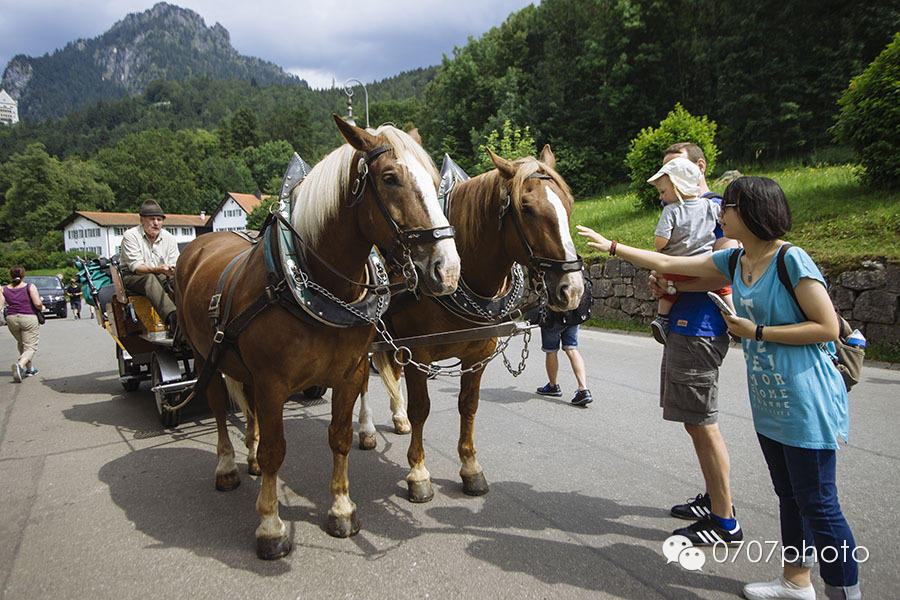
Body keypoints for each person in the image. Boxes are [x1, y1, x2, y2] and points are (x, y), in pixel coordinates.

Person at [578, 176, 861, 600]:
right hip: (771, 402)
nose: (719, 213)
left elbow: (824, 326)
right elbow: (676, 266)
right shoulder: (737, 260)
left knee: (819, 503)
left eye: (727, 207)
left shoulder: (791, 259)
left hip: (808, 399)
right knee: (789, 496)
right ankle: (796, 582)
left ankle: (844, 592)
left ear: (750, 212)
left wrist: (757, 331)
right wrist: (613, 246)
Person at [648, 156, 735, 344]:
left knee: (668, 291)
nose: (661, 197)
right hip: (703, 265)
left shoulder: (671, 210)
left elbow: (660, 243)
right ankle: (734, 317)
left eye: (663, 192)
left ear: (678, 187)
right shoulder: (711, 206)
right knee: (724, 289)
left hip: (677, 268)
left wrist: (663, 244)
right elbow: (725, 222)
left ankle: (662, 318)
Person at [119, 199, 180, 336]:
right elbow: (136, 267)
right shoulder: (131, 236)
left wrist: (172, 271)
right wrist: (159, 269)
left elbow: (175, 262)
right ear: (141, 220)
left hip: (162, 274)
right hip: (132, 276)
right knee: (149, 279)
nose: (156, 223)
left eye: (159, 219)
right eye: (152, 219)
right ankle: (173, 318)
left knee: (179, 281)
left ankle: (190, 315)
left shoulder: (169, 238)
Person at [535, 277, 594, 407]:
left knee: (551, 351)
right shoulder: (577, 268)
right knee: (572, 348)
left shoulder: (553, 266)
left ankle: (553, 386)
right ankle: (583, 389)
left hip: (554, 315)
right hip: (574, 314)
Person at [1, 265, 45, 382]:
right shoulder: (29, 287)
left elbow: (0, 306)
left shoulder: (3, 289)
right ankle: (20, 365)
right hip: (28, 317)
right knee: (30, 346)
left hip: (11, 318)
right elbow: (37, 303)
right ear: (23, 275)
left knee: (22, 343)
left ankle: (30, 369)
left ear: (11, 275)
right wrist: (42, 307)